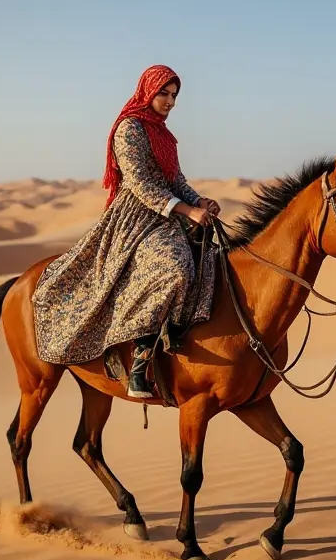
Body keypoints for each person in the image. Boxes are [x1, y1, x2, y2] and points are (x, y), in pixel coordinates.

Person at [31, 64, 221, 399]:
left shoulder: (164, 134)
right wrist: (187, 210)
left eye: (174, 95)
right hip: (135, 217)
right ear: (148, 91)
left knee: (209, 254)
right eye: (164, 92)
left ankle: (176, 330)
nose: (170, 101)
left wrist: (200, 201)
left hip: (168, 213)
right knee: (173, 266)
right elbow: (141, 185)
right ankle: (139, 364)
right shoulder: (129, 129)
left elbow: (175, 180)